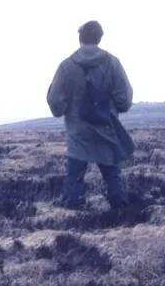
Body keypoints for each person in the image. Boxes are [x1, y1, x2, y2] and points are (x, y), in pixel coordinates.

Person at [47, 20, 135, 209]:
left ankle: (70, 213)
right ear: (100, 38)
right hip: (105, 125)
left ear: (80, 38)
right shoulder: (113, 62)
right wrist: (113, 108)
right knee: (112, 173)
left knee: (74, 174)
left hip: (78, 129)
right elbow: (124, 99)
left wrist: (63, 109)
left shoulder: (66, 65)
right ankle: (121, 212)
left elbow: (55, 100)